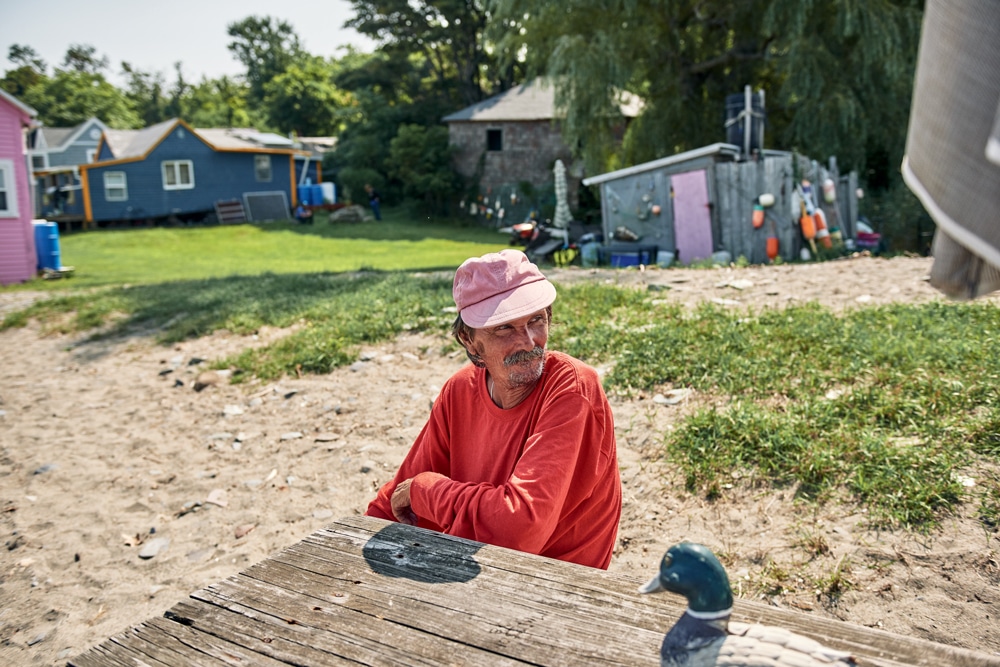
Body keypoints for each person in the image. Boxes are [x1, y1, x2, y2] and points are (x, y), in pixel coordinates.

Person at [365, 249, 622, 569]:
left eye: (536, 320)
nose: (528, 342)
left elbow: (520, 530)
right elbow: (394, 501)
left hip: (549, 583)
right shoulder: (459, 390)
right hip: (476, 567)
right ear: (469, 340)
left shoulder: (572, 387)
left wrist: (426, 492)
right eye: (504, 328)